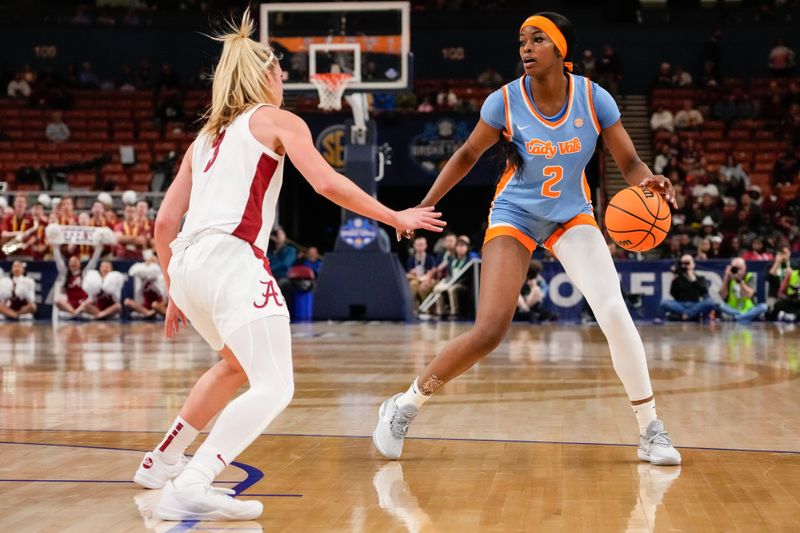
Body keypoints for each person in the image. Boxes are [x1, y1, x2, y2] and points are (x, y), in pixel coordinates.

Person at [132, 10, 445, 522]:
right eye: (279, 73)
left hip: (189, 264)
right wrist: (393, 214)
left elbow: (165, 223)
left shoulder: (202, 139)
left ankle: (160, 460)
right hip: (232, 257)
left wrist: (174, 289)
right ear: (262, 76)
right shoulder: (277, 121)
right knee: (275, 385)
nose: (284, 81)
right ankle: (194, 479)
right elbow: (325, 183)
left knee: (235, 365)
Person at [373, 12, 680, 467]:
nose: (526, 48)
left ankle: (650, 428)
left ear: (561, 50)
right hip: (514, 214)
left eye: (538, 40)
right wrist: (423, 205)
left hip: (571, 214)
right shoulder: (505, 102)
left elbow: (630, 161)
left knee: (614, 312)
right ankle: (405, 404)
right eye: (522, 41)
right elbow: (466, 155)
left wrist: (648, 181)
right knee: (490, 330)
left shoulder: (595, 99)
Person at [53, 243, 103, 317]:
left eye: (75, 261)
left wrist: (98, 248)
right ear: (68, 265)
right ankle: (74, 313)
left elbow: (94, 261)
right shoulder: (65, 275)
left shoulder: (85, 273)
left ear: (80, 263)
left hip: (84, 303)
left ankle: (76, 312)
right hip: (71, 304)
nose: (73, 263)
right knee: (57, 301)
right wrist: (55, 247)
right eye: (71, 261)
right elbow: (58, 261)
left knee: (90, 305)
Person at [660, 255, 715, 321]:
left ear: (693, 264)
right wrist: (675, 279)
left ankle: (686, 315)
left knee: (710, 302)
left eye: (688, 263)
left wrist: (693, 280)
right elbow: (673, 294)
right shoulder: (678, 278)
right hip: (681, 304)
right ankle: (692, 315)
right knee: (664, 302)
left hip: (695, 304)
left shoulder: (700, 278)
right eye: (683, 263)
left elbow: (704, 292)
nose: (686, 265)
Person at [718, 257, 768, 323]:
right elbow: (722, 295)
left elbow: (749, 295)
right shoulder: (728, 277)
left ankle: (737, 318)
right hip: (732, 309)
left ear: (745, 268)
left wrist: (740, 281)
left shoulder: (750, 276)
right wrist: (726, 277)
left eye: (740, 268)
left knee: (763, 307)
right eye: (735, 268)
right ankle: (744, 317)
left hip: (748, 310)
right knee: (720, 306)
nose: (737, 271)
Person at [406, 235, 437, 310]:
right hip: (417, 279)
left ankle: (426, 309)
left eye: (422, 245)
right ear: (414, 246)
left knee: (423, 288)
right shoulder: (411, 259)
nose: (420, 247)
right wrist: (412, 273)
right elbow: (409, 272)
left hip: (428, 279)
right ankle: (412, 309)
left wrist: (428, 277)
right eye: (418, 245)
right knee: (412, 285)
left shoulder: (430, 258)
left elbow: (433, 270)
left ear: (425, 246)